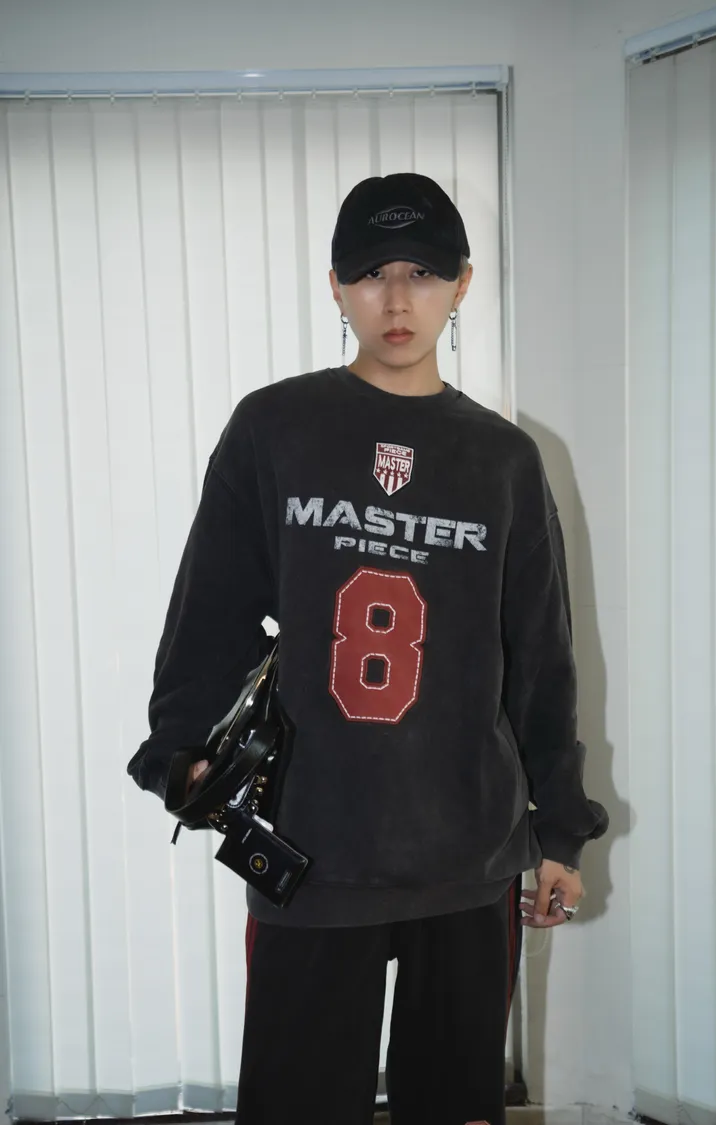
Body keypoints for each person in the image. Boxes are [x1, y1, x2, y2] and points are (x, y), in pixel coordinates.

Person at [127, 172, 609, 1125]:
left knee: (454, 1106)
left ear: (463, 284)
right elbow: (210, 613)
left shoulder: (503, 459)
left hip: (467, 856)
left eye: (423, 273)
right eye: (372, 273)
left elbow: (540, 660)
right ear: (336, 286)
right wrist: (179, 752)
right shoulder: (274, 428)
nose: (397, 300)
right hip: (314, 849)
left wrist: (559, 830)